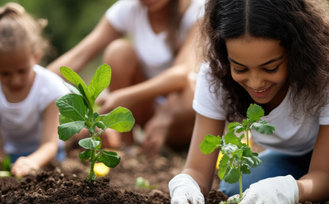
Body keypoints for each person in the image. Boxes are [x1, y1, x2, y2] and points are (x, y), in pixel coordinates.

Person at [165, 0, 329, 204]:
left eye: (270, 68)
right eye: (240, 68)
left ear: (295, 50)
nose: (256, 82)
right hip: (294, 152)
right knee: (239, 191)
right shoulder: (215, 77)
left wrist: (287, 191)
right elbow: (197, 169)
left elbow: (324, 175)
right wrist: (185, 187)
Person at [47, 0, 205, 156]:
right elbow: (78, 55)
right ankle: (124, 146)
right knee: (118, 52)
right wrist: (37, 81)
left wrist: (127, 97)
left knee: (193, 83)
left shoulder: (199, 10)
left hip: (185, 116)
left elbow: (182, 74)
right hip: (148, 112)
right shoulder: (129, 8)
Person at [0, 3, 68, 177]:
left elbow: (50, 144)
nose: (15, 80)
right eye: (5, 73)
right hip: (11, 154)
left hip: (46, 156)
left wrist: (33, 162)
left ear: (36, 56)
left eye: (22, 71)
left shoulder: (49, 88)